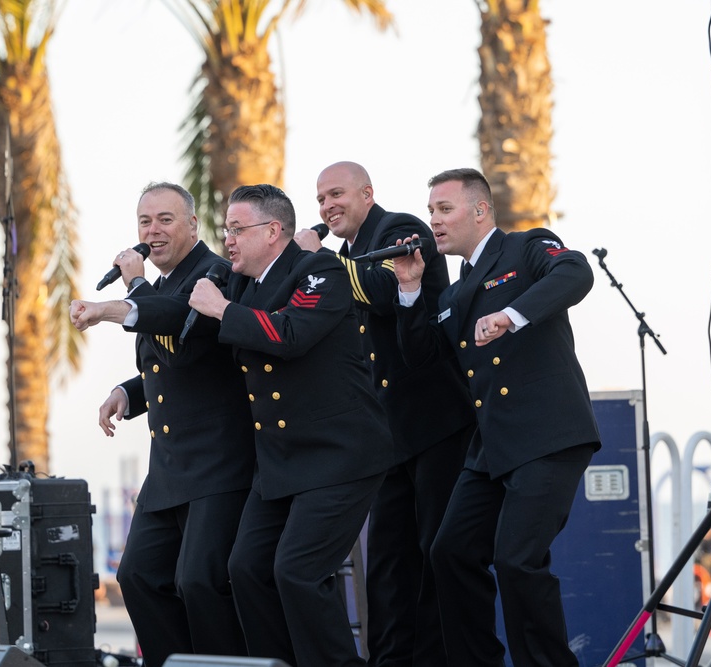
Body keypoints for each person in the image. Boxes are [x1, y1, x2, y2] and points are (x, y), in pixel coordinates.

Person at [391, 168, 601, 667]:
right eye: (431, 212)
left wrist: (512, 315)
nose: (433, 222)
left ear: (480, 210)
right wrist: (408, 288)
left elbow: (576, 273)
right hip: (490, 449)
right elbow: (420, 356)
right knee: (451, 552)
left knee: (517, 560)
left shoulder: (527, 247)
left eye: (445, 209)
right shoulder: (455, 293)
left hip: (546, 435)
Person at [188, 183, 394, 667]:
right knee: (247, 568)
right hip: (281, 461)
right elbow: (183, 312)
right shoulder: (243, 284)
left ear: (274, 230)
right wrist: (121, 308)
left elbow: (292, 334)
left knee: (298, 572)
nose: (229, 240)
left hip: (339, 455)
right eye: (226, 230)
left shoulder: (318, 271)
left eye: (238, 229)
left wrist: (221, 310)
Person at [294, 161, 476, 666]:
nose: (327, 207)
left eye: (336, 194)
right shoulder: (344, 254)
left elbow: (380, 290)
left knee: (436, 554)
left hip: (435, 423)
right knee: (390, 566)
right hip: (386, 434)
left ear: (366, 194)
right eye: (320, 199)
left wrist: (319, 261)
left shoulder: (401, 229)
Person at [69, 182, 254, 665]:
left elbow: (187, 343)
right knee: (137, 576)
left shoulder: (214, 273)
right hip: (170, 469)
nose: (152, 231)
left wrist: (132, 289)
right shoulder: (162, 285)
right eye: (145, 222)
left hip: (218, 463)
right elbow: (163, 366)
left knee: (200, 581)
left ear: (193, 225)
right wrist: (126, 393)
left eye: (165, 220)